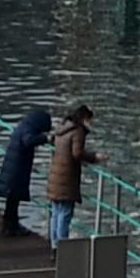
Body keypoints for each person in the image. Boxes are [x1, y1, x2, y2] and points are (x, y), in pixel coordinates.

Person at [0, 105, 54, 236]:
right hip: (17, 169)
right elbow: (28, 141)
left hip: (13, 167)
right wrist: (45, 139)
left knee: (12, 200)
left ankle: (9, 225)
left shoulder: (23, 126)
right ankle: (11, 227)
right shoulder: (28, 129)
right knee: (13, 199)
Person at [46, 102, 99, 244]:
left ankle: (54, 245)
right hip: (67, 178)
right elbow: (77, 153)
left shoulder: (62, 128)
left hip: (55, 175)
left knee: (56, 213)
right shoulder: (78, 132)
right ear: (85, 118)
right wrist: (94, 157)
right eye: (90, 120)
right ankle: (62, 247)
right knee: (65, 214)